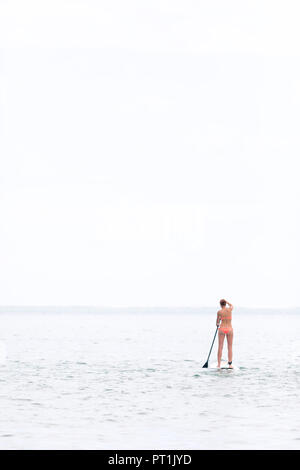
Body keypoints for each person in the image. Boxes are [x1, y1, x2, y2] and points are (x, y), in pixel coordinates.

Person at [216, 299, 233, 368]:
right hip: (229, 329)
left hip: (222, 329)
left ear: (220, 305)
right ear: (225, 304)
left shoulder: (219, 312)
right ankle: (230, 364)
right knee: (230, 347)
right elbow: (232, 305)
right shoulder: (229, 310)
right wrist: (227, 301)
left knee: (220, 347)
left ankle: (219, 364)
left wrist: (219, 320)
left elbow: (217, 323)